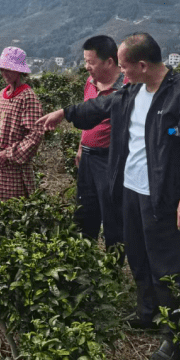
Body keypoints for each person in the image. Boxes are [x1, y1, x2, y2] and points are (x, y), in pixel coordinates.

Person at [36, 33, 180, 360]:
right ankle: (147, 313)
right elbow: (101, 106)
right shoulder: (133, 91)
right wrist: (65, 113)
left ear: (143, 65)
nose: (121, 72)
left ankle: (174, 336)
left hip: (162, 195)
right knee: (137, 253)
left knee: (167, 263)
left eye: (124, 67)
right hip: (131, 189)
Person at [74, 35, 126, 252]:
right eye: (85, 61)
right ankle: (83, 264)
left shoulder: (125, 87)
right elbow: (87, 116)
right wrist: (80, 148)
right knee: (85, 212)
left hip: (109, 160)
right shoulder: (90, 82)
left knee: (112, 215)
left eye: (91, 62)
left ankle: (114, 268)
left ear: (109, 62)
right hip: (87, 157)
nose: (87, 67)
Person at [0, 47, 45, 214]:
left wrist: (9, 154)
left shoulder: (28, 97)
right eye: (2, 69)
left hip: (13, 168)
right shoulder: (3, 94)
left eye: (8, 69)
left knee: (10, 213)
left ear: (19, 71)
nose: (4, 73)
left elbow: (35, 134)